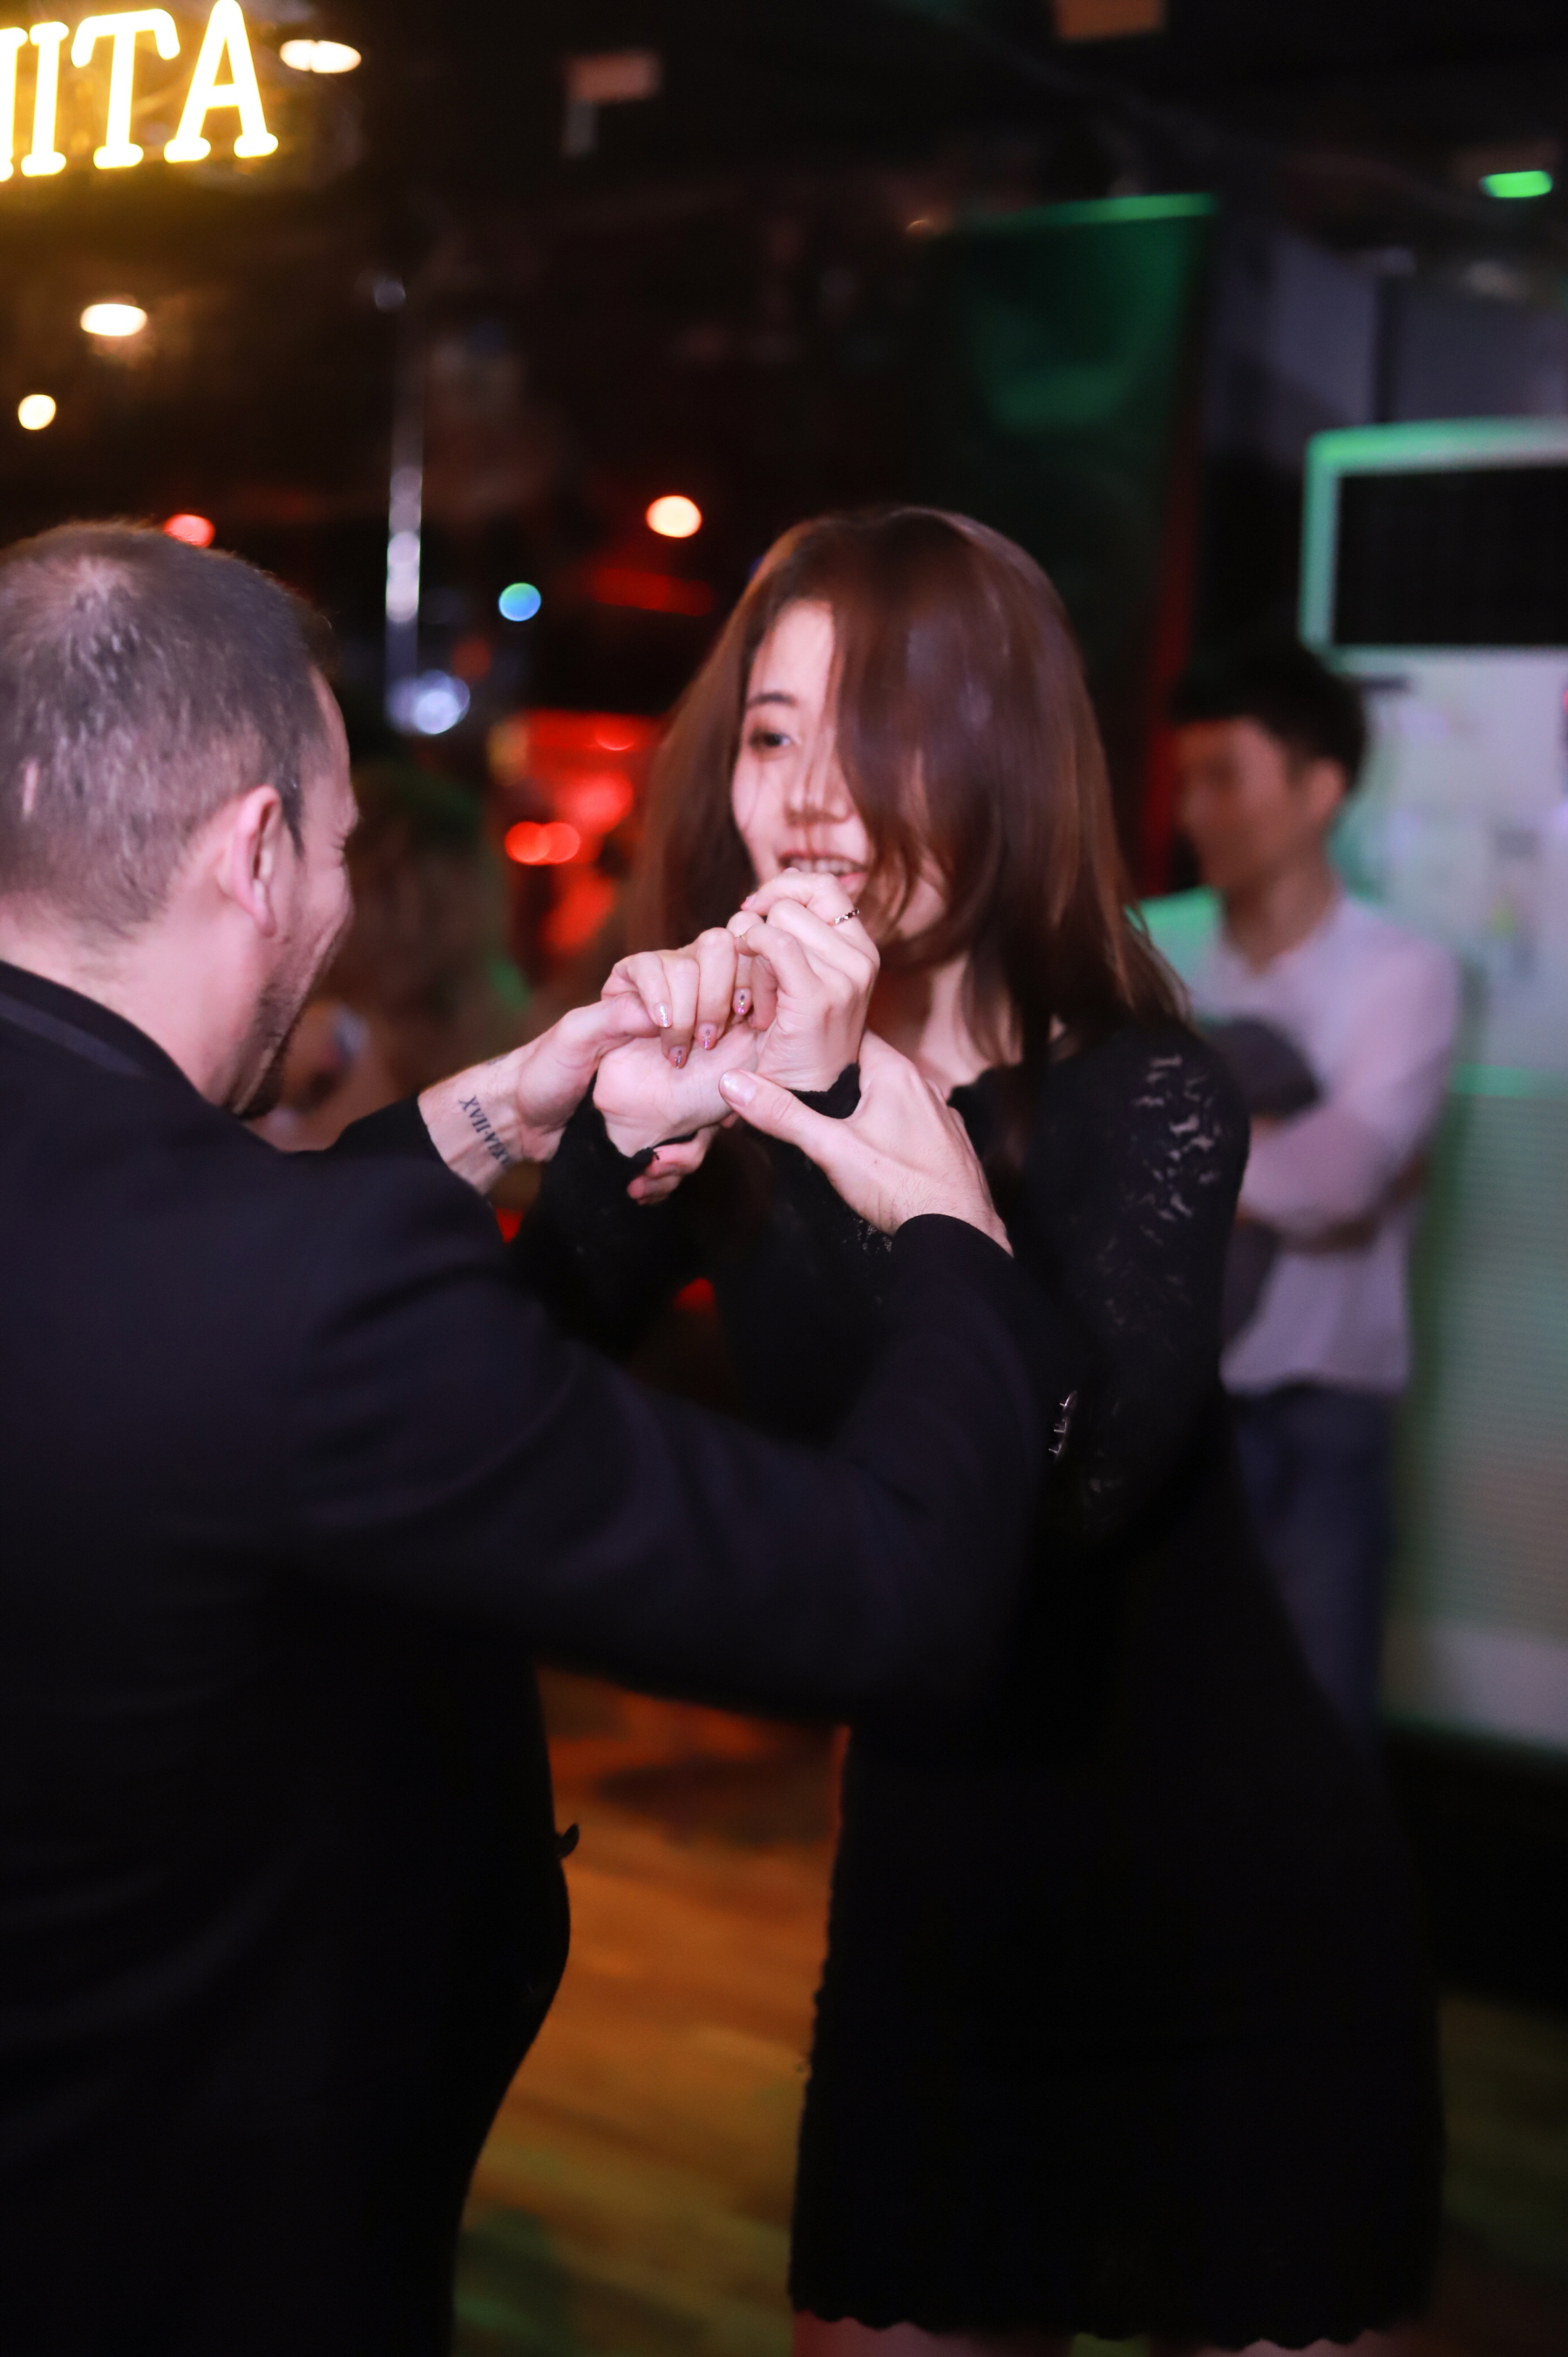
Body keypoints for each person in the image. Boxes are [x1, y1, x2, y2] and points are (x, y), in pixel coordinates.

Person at [0, 525, 1076, 2357]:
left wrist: (505, 1105)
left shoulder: (169, 1230)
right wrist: (950, 1235)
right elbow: (892, 1590)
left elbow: (166, 1267)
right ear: (255, 851)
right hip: (173, 2232)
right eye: (338, 850)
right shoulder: (298, 1298)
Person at [517, 510, 1444, 2357]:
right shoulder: (732, 1091)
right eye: (771, 729)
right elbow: (498, 1387)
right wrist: (611, 1135)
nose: (806, 792)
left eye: (878, 725)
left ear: (1001, 753)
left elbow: (1063, 1486)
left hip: (1222, 1900)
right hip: (932, 1898)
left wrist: (850, 1102)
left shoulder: (1141, 1087)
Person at [1166, 639, 1463, 1741]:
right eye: (1186, 778)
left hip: (1323, 1417)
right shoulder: (1149, 949)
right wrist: (1287, 1151)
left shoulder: (1401, 973)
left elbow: (1338, 1179)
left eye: (1224, 776)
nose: (1193, 810)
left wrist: (1166, 1151)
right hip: (1170, 1409)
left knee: (1316, 1745)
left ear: (1318, 789)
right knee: (1160, 1742)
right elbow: (1070, 1159)